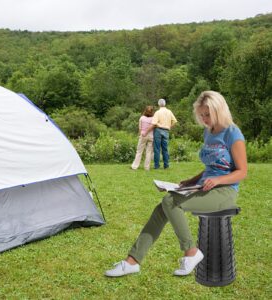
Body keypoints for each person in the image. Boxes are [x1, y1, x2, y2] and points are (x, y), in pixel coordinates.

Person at [105, 91, 247, 277]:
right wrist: (192, 181)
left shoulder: (232, 133)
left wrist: (218, 180)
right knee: (161, 209)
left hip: (225, 191)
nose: (204, 119)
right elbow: (214, 167)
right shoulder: (208, 132)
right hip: (203, 187)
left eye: (207, 114)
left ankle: (191, 252)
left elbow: (241, 172)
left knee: (169, 201)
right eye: (201, 115)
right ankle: (132, 261)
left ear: (219, 111)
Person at [149, 98, 177, 169]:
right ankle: (166, 165)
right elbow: (174, 121)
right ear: (165, 104)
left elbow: (154, 123)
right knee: (165, 149)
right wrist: (169, 127)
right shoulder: (169, 112)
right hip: (166, 131)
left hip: (158, 130)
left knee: (157, 149)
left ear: (159, 104)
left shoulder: (157, 112)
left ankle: (157, 166)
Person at [131, 106, 155, 171]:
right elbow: (154, 127)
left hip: (143, 136)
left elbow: (140, 128)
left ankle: (135, 166)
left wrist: (140, 135)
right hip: (151, 136)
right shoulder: (153, 118)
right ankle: (147, 168)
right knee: (149, 152)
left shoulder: (141, 118)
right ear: (152, 112)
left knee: (139, 151)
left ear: (145, 111)